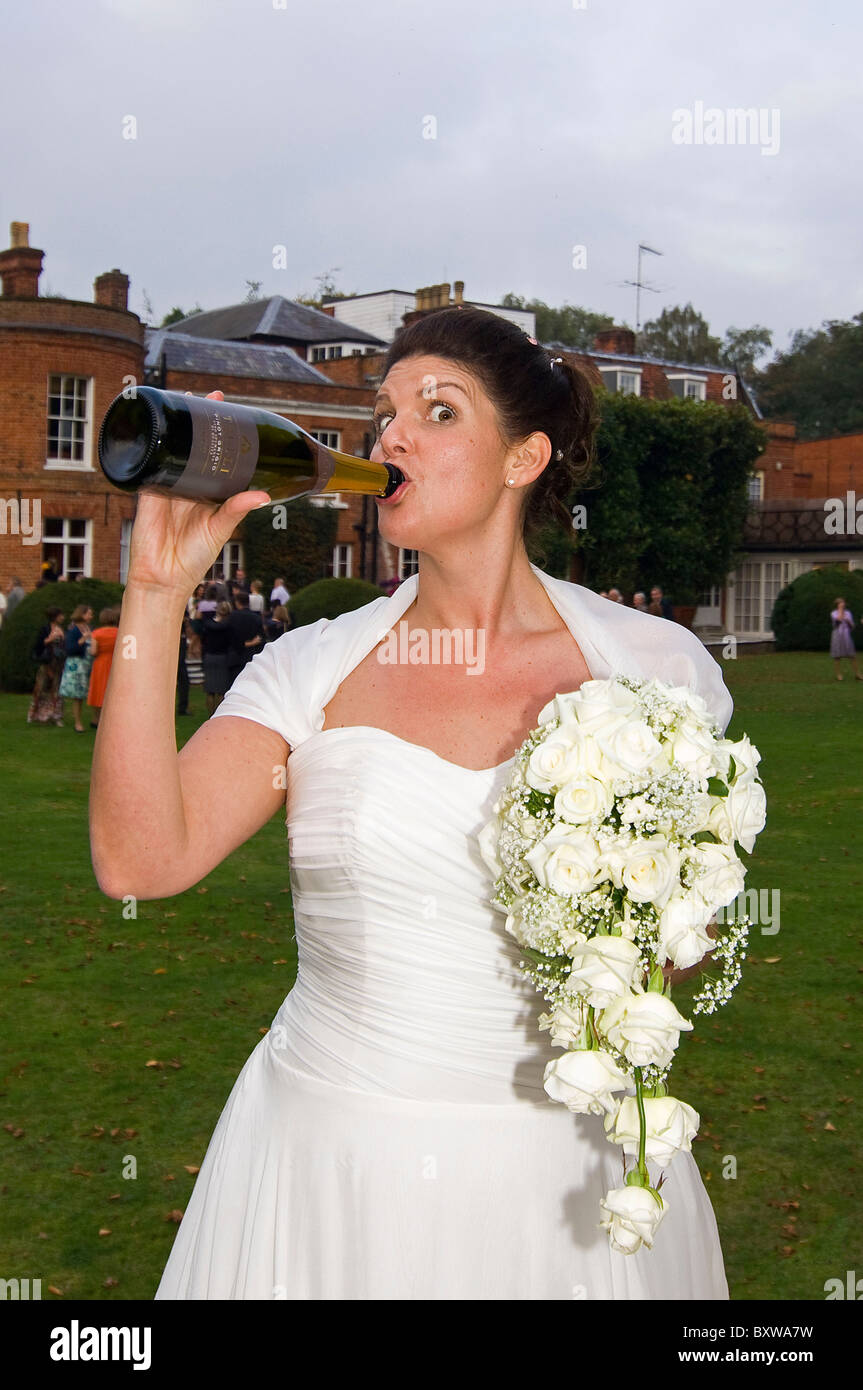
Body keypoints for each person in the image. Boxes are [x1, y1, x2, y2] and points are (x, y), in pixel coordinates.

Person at [90, 307, 732, 1300]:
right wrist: (154, 589)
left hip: (565, 1180)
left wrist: (620, 897)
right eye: (383, 414)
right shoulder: (308, 668)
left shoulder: (651, 668)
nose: (390, 437)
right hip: (328, 1166)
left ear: (523, 458)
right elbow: (141, 861)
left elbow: (682, 951)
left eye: (436, 412)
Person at [58, 603, 95, 732]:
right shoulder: (73, 630)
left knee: (89, 693)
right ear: (82, 614)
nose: (91, 616)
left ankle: (94, 719)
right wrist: (83, 639)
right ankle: (78, 723)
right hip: (76, 666)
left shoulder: (89, 627)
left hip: (88, 665)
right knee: (77, 696)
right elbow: (69, 649)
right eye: (89, 613)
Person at [27, 605, 66, 725]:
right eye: (60, 615)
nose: (63, 617)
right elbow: (38, 646)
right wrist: (49, 639)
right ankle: (33, 713)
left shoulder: (61, 629)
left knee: (56, 690)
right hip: (46, 663)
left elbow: (64, 647)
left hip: (58, 664)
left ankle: (56, 716)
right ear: (55, 617)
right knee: (40, 689)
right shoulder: (45, 629)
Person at [199, 599, 236, 715]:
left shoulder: (208, 624)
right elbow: (231, 642)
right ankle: (218, 714)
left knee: (210, 690)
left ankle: (210, 713)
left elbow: (203, 641)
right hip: (222, 657)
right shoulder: (229, 626)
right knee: (221, 690)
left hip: (209, 656)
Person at [87, 607, 120, 728]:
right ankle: (113, 719)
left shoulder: (97, 633)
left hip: (100, 663)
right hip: (115, 663)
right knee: (113, 690)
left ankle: (96, 719)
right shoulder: (120, 632)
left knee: (98, 690)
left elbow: (93, 651)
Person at [226, 590, 264, 684]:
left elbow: (230, 638)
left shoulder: (232, 617)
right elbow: (261, 638)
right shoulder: (256, 618)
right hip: (250, 656)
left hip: (235, 655)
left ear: (237, 602)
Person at [829, 596, 862, 681]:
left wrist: (848, 621)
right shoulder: (833, 613)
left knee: (852, 655)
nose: (843, 604)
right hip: (837, 634)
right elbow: (838, 621)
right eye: (840, 603)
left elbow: (852, 626)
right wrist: (840, 611)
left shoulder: (848, 613)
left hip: (846, 634)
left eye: (843, 602)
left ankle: (858, 674)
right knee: (837, 656)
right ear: (837, 605)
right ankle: (838, 675)